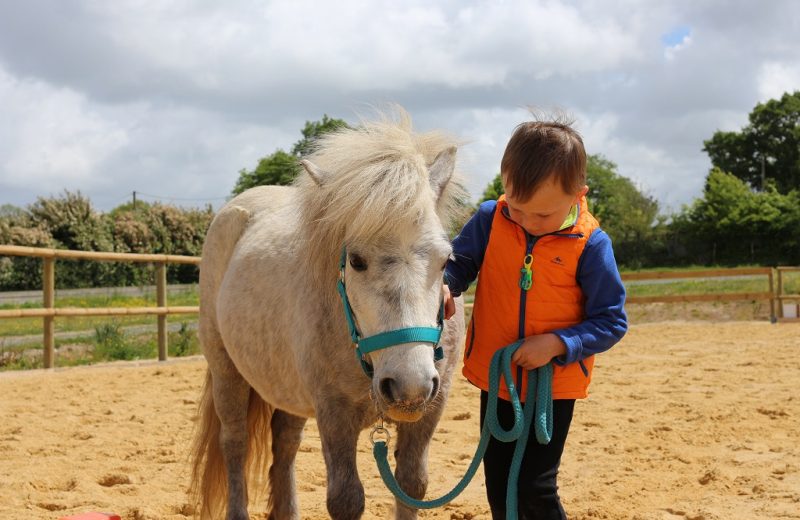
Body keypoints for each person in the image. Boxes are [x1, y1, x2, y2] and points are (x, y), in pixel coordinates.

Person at [443, 117, 627, 519]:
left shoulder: (590, 244)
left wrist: (558, 345)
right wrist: (445, 286)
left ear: (579, 194)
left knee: (535, 488)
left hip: (552, 386)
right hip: (498, 376)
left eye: (541, 215)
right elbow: (459, 263)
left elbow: (612, 321)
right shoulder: (492, 218)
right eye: (517, 206)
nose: (526, 221)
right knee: (498, 487)